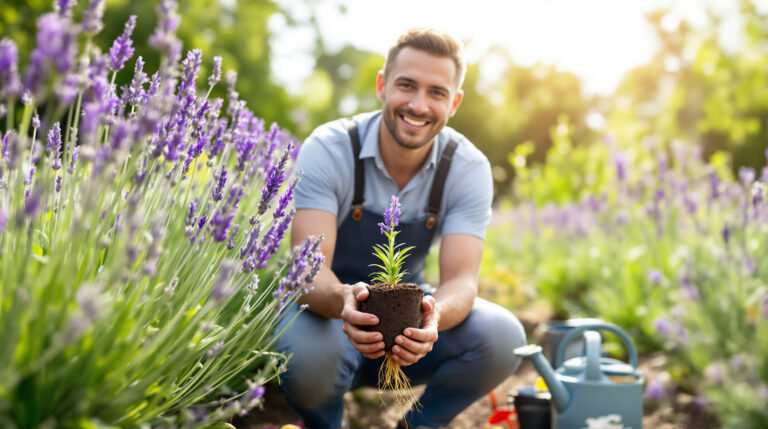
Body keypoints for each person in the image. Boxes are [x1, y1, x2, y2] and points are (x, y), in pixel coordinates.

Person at [276, 28, 526, 429]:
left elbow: (462, 279)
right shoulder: (329, 148)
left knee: (503, 337)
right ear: (382, 85)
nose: (418, 105)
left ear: (455, 102)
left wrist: (433, 318)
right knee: (310, 359)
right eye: (406, 86)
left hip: (406, 326)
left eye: (437, 92)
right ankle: (324, 423)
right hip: (325, 318)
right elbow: (307, 271)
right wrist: (345, 301)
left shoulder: (468, 168)